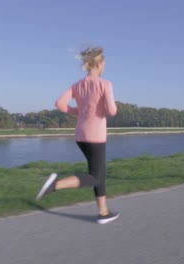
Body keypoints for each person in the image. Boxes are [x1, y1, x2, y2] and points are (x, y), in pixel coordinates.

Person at [36, 46, 120, 224]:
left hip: (80, 135)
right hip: (96, 136)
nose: (104, 66)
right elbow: (112, 111)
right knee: (96, 177)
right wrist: (106, 106)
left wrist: (77, 111)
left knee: (98, 174)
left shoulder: (77, 85)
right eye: (104, 63)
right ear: (98, 64)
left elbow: (59, 103)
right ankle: (55, 185)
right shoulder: (105, 84)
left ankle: (103, 212)